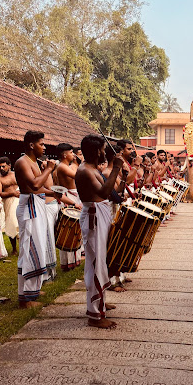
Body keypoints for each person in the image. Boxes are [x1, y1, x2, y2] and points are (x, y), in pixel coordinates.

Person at [75, 134, 124, 329]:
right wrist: (117, 167)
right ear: (96, 151)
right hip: (94, 218)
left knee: (100, 261)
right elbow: (104, 192)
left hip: (99, 215)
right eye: (103, 149)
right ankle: (95, 315)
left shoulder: (93, 168)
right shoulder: (85, 171)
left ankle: (100, 302)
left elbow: (110, 192)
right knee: (95, 264)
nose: (105, 152)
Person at [14, 130, 58, 308]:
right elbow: (33, 185)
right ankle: (24, 298)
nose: (44, 147)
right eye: (42, 144)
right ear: (31, 145)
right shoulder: (21, 162)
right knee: (28, 249)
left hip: (37, 204)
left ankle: (34, 289)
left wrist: (53, 192)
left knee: (38, 248)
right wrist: (48, 169)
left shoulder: (34, 162)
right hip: (29, 208)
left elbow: (40, 188)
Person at [56, 143, 83, 271]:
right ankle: (68, 263)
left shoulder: (67, 166)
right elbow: (79, 176)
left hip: (74, 196)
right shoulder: (62, 167)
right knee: (69, 230)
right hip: (69, 198)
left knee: (75, 230)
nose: (73, 155)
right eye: (71, 152)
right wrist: (84, 163)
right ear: (65, 155)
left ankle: (75, 260)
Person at [0, 157, 20, 254]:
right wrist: (12, 194)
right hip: (8, 202)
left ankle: (24, 247)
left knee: (18, 223)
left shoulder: (16, 174)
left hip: (19, 200)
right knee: (11, 224)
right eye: (0, 167)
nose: (1, 168)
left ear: (9, 166)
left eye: (3, 166)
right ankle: (14, 249)